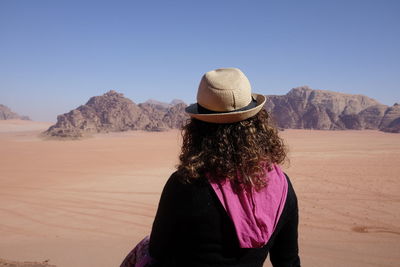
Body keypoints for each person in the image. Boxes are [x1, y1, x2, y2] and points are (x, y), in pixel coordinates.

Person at [148, 68, 300, 266]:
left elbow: (157, 250)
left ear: (197, 129)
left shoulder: (185, 184)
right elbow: (288, 261)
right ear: (258, 124)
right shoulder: (282, 187)